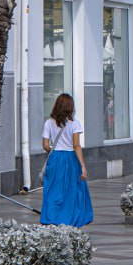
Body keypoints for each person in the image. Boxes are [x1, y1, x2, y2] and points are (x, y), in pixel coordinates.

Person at [40, 93, 93, 227]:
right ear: (70, 107)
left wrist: (54, 152)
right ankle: (69, 219)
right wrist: (83, 166)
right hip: (70, 159)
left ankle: (51, 218)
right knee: (71, 191)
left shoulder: (49, 122)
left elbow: (45, 145)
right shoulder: (75, 124)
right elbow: (76, 145)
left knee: (53, 189)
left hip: (56, 157)